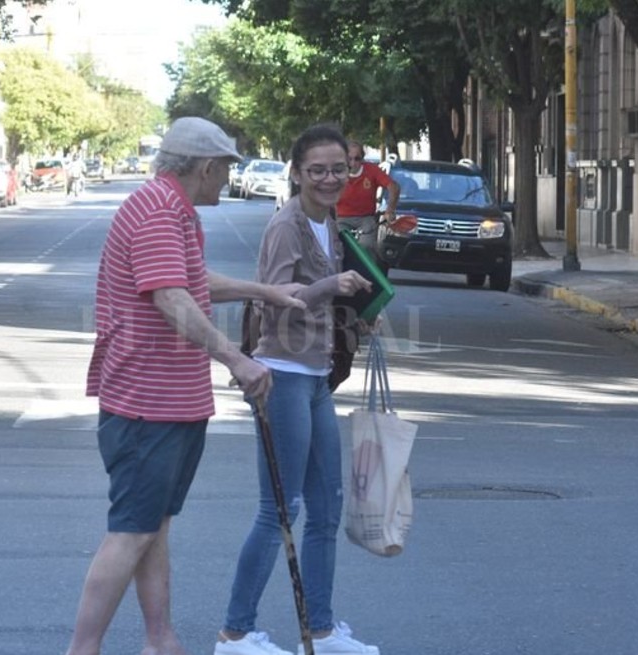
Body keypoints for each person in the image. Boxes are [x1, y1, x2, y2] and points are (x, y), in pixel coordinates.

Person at [68, 116, 308, 655]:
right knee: (132, 530)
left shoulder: (172, 209)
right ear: (204, 167)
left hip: (167, 401)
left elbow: (191, 281)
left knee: (153, 527)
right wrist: (234, 359)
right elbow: (171, 297)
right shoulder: (157, 212)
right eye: (225, 167)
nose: (226, 177)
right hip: (146, 403)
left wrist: (265, 291)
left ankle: (161, 640)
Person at [215, 124, 378, 655]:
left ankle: (323, 630)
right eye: (318, 170)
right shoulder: (287, 226)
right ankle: (235, 633)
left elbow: (325, 299)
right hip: (282, 374)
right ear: (297, 173)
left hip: (314, 378)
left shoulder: (327, 220)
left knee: (327, 507)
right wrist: (333, 286)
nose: (330, 179)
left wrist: (356, 310)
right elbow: (273, 299)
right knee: (278, 511)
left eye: (339, 168)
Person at [334, 140, 399, 255]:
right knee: (337, 245)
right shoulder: (336, 172)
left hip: (365, 218)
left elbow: (393, 187)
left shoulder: (372, 170)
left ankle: (364, 272)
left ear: (362, 159)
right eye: (349, 159)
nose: (353, 163)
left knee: (366, 246)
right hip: (341, 219)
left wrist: (390, 210)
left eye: (357, 158)